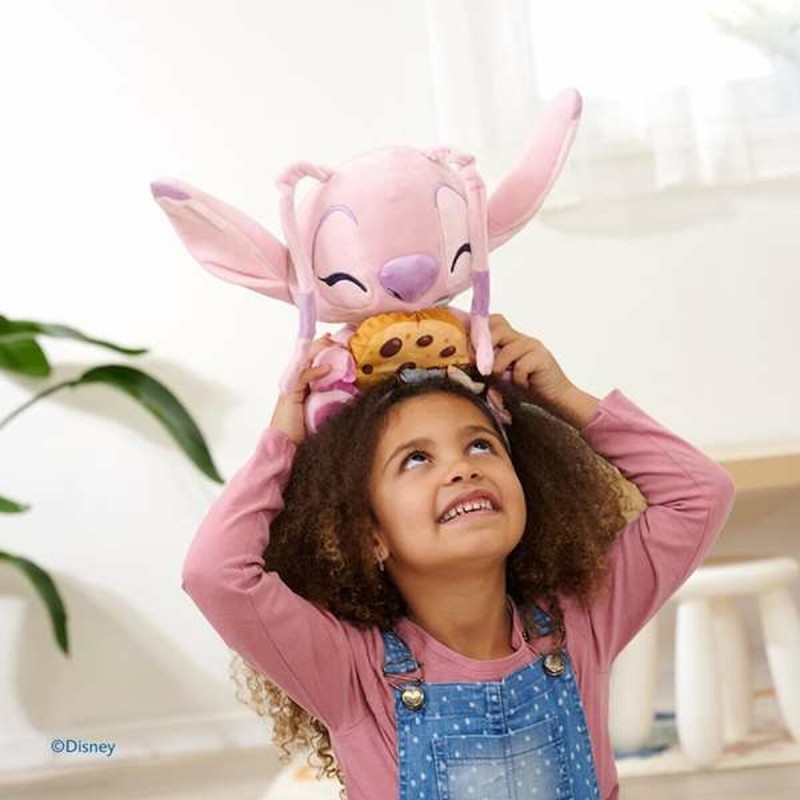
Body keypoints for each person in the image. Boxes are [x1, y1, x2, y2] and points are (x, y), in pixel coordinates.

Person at [181, 314, 736, 800]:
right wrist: (285, 437)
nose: (461, 468)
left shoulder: (582, 622)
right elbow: (215, 574)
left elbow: (700, 496)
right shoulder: (349, 671)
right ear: (369, 535)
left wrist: (562, 397)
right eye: (416, 459)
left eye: (480, 444)